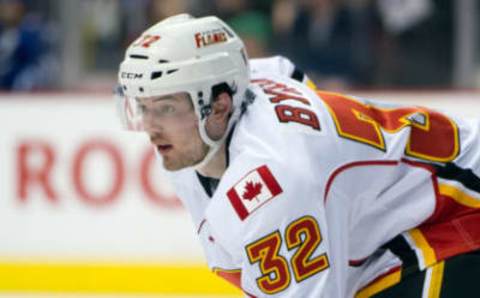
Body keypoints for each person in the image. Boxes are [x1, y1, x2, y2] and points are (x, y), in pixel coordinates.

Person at [116, 14, 480, 297]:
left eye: (164, 108)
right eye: (143, 107)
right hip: (425, 209)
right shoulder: (233, 96)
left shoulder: (275, 184)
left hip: (461, 214)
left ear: (219, 106)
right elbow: (283, 70)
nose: (149, 125)